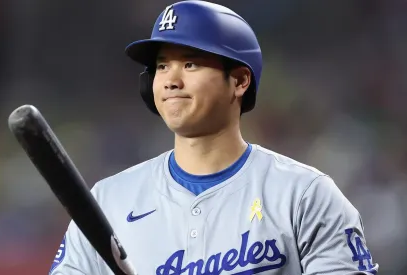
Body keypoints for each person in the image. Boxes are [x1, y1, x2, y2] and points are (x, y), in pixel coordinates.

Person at [49, 1, 379, 274]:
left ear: (239, 81)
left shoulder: (304, 196)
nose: (170, 80)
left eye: (190, 64)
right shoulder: (108, 201)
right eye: (162, 67)